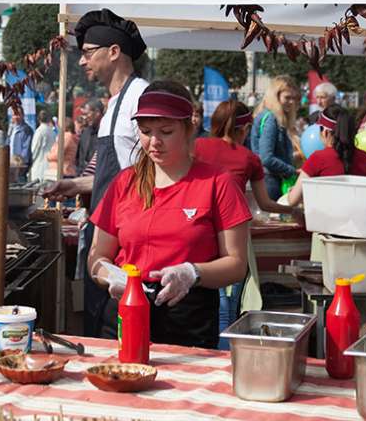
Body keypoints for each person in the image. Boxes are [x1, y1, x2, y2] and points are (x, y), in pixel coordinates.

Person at [88, 81, 251, 348]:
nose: (154, 142)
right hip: (126, 308)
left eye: (166, 131)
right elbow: (97, 254)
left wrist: (192, 272)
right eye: (145, 131)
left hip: (187, 317)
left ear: (189, 128)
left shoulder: (217, 182)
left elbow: (236, 263)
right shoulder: (124, 183)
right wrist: (111, 278)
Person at [42, 8, 150, 338]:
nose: (82, 62)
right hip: (104, 232)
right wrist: (73, 184)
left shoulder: (141, 97)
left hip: (125, 238)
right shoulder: (113, 105)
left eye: (88, 53)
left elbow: (151, 175)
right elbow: (115, 175)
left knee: (119, 328)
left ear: (114, 52)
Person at [195, 99, 295, 336]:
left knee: (210, 297)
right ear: (245, 129)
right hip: (233, 234)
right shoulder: (249, 159)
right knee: (230, 303)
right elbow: (265, 203)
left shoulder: (197, 147)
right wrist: (295, 210)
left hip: (199, 230)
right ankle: (226, 353)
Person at [285, 105, 366, 207]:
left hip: (327, 220)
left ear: (325, 132)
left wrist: (291, 193)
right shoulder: (365, 157)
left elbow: (293, 201)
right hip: (358, 219)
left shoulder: (318, 158)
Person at [251, 76, 301, 201]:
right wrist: (292, 171)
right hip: (270, 180)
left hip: (268, 179)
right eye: (287, 97)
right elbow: (266, 158)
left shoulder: (269, 116)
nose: (291, 102)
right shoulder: (271, 119)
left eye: (293, 98)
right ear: (275, 96)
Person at [76, 99, 104, 176]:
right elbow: (79, 158)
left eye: (87, 114)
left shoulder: (106, 133)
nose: (84, 118)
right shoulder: (85, 133)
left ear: (97, 113)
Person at [30, 110, 56, 183]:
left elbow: (35, 149)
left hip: (39, 163)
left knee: (37, 188)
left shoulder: (39, 131)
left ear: (38, 119)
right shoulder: (52, 132)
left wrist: (30, 161)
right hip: (50, 164)